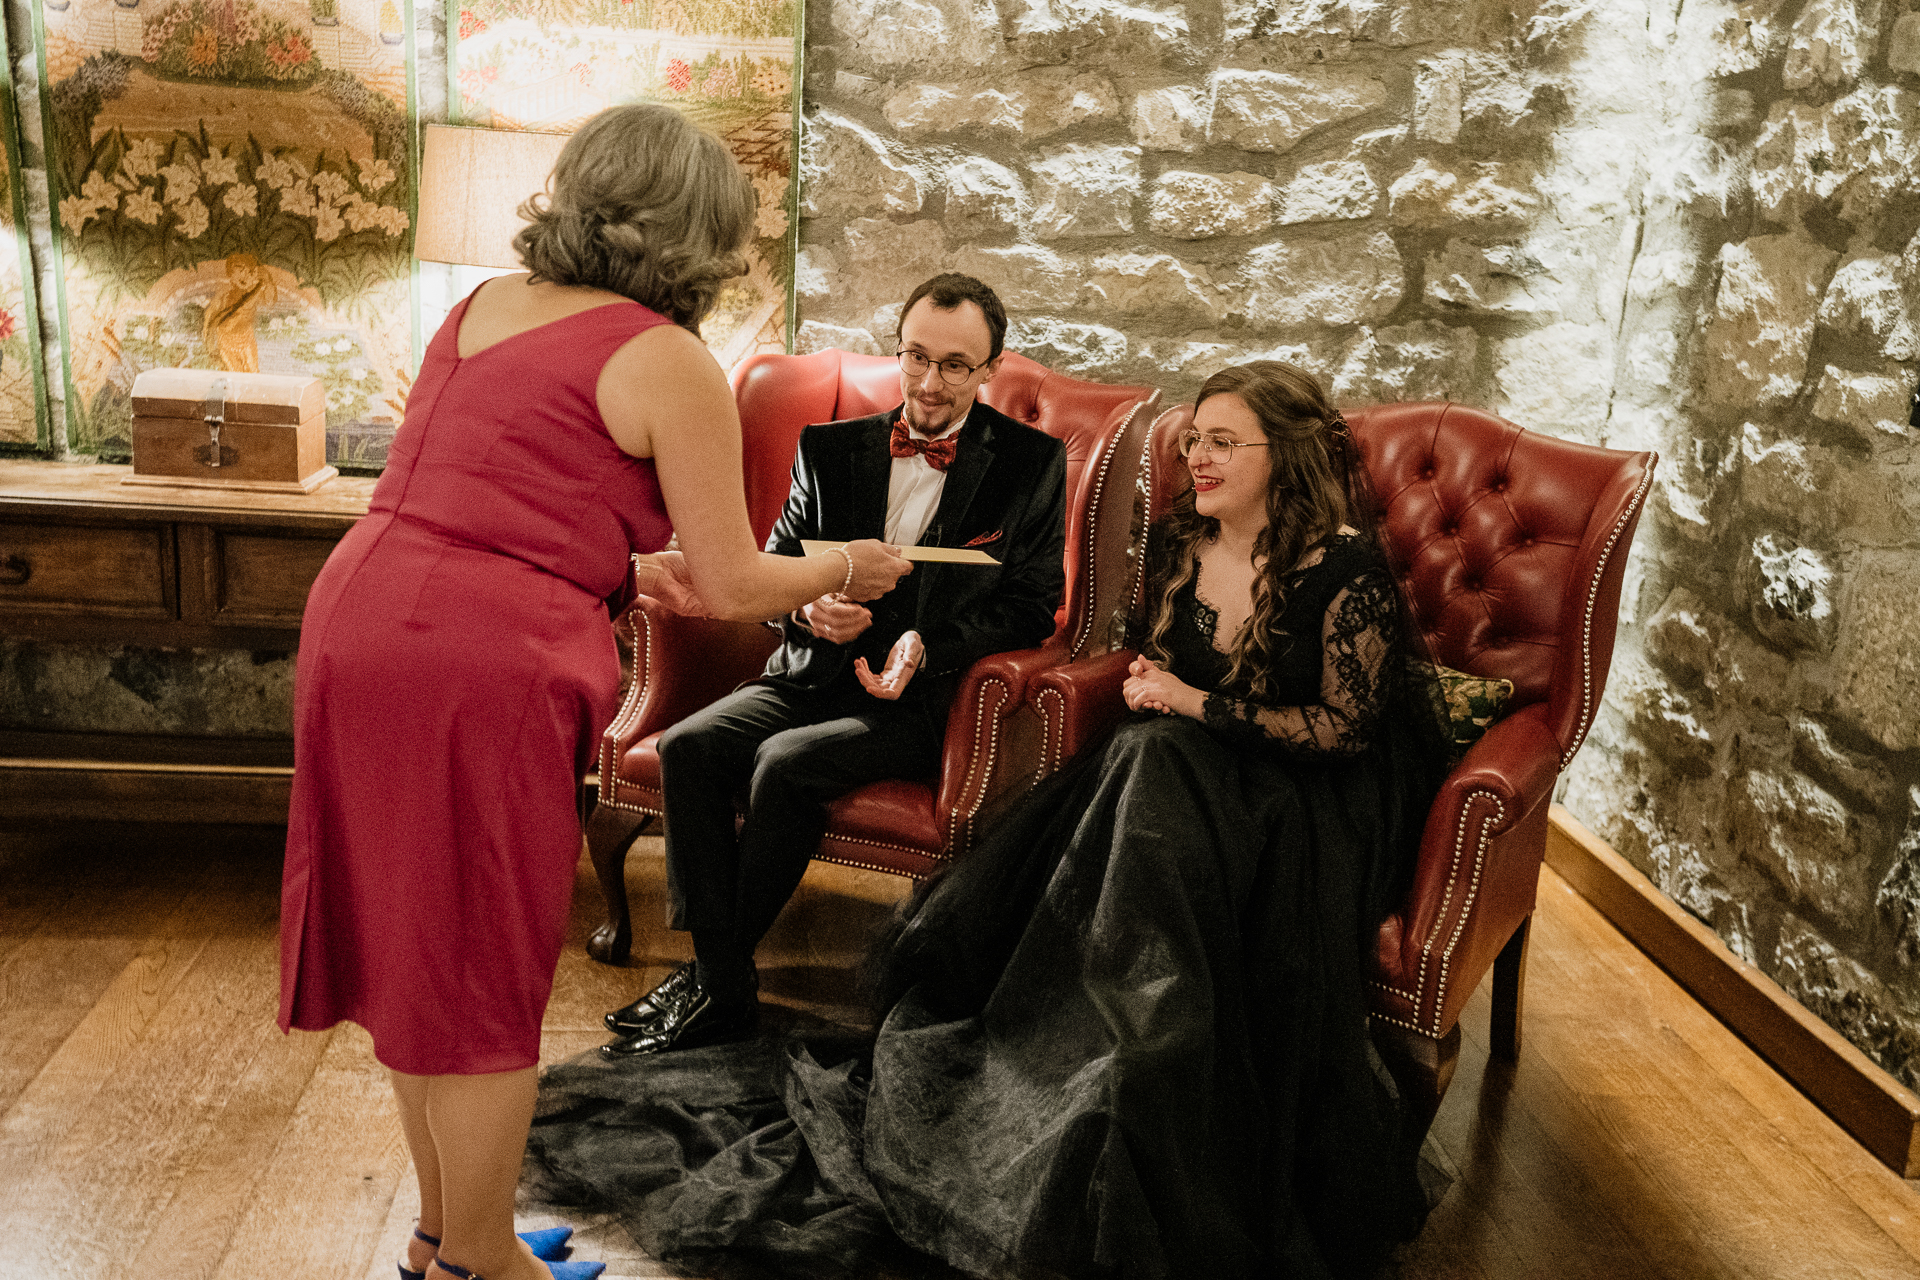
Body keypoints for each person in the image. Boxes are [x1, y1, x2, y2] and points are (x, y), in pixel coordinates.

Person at [527, 360, 1455, 1279]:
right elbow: (1147, 654)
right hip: (1176, 772)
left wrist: (1185, 702)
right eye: (1196, 440)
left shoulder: (1342, 569)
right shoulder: (1181, 541)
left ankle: (1147, 1035)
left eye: (1223, 443)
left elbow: (1342, 731)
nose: (1199, 460)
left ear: (1282, 455)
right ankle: (1077, 1022)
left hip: (1304, 797)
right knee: (1141, 759)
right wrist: (1147, 682)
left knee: (1150, 757)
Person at [276, 104, 912, 1280]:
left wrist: (619, 563)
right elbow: (731, 579)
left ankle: (443, 1235)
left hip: (361, 616)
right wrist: (845, 565)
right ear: (700, 234)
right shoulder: (668, 358)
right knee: (480, 965)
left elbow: (490, 494)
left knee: (423, 955)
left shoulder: (479, 307)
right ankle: (482, 1262)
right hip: (472, 662)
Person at [598, 272, 1069, 1058]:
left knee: (783, 766)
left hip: (922, 702)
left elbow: (1030, 607)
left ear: (989, 369)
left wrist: (930, 645)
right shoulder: (829, 446)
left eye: (956, 364)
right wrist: (806, 607)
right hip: (807, 672)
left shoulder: (1030, 464)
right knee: (691, 746)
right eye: (917, 356)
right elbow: (774, 569)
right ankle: (722, 980)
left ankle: (709, 983)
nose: (930, 380)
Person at [202, 251, 272, 372]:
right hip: (226, 340)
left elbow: (270, 300)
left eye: (249, 272)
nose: (244, 276)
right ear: (230, 275)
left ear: (254, 275)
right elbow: (211, 313)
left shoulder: (255, 292)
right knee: (234, 373)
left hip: (246, 338)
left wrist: (266, 279)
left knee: (252, 371)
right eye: (239, 271)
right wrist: (208, 339)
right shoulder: (225, 295)